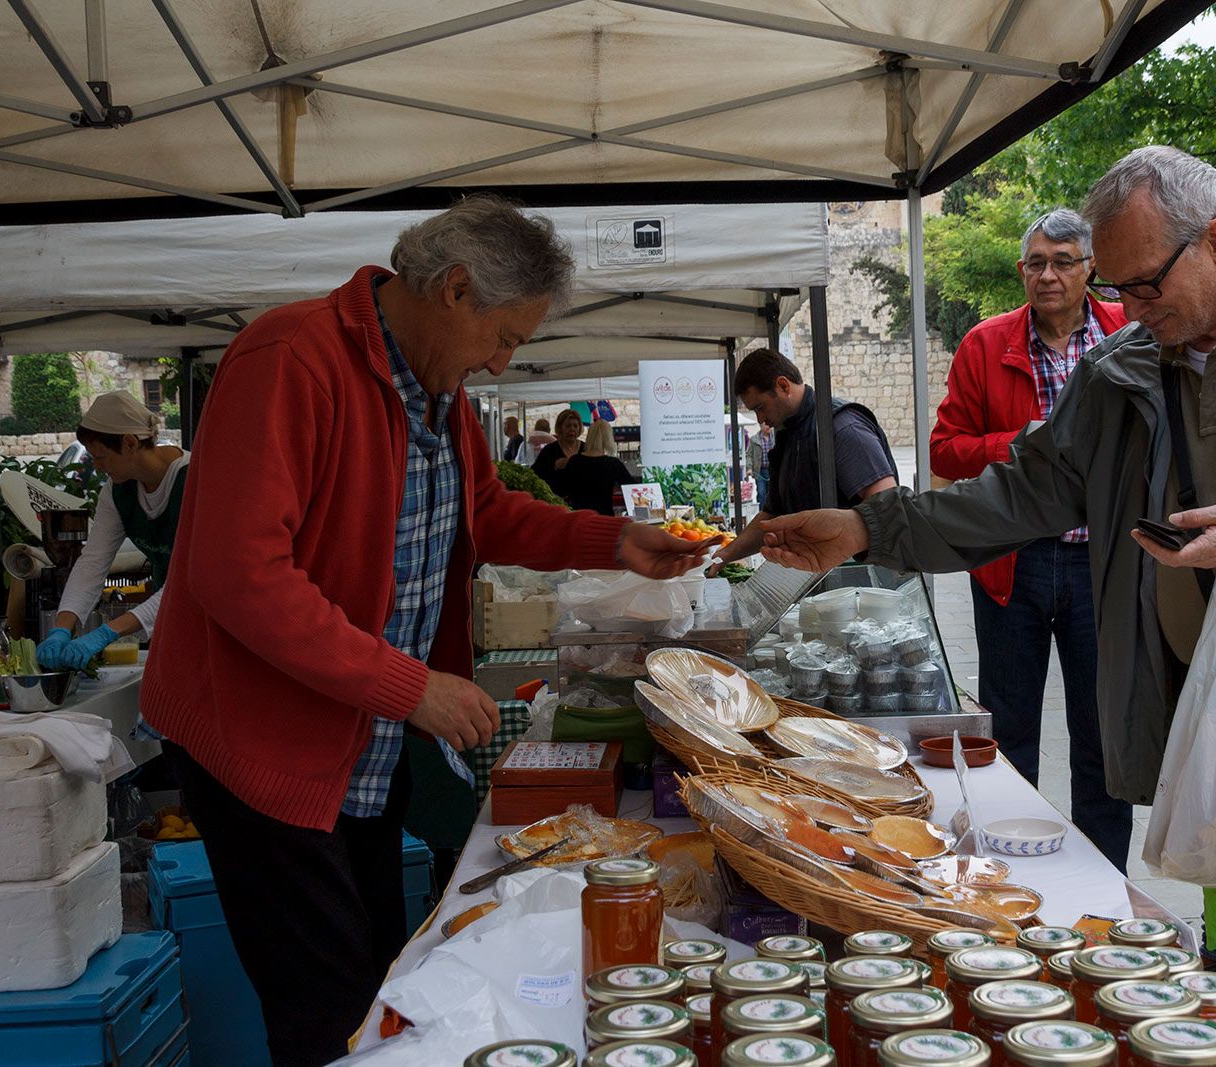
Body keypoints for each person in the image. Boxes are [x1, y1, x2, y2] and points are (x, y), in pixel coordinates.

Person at [757, 147, 1216, 1067]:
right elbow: (1020, 494)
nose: (1127, 308)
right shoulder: (1127, 367)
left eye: (1143, 283)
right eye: (1117, 287)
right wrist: (868, 527)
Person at [139, 196, 713, 1067]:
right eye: (504, 337)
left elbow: (483, 509)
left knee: (384, 984)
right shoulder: (289, 358)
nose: (502, 361)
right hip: (263, 743)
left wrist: (612, 540)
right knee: (327, 1004)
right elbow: (238, 574)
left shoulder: (438, 388)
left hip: (359, 744)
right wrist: (410, 687)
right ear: (453, 289)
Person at [930, 208, 1133, 870]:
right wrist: (1020, 443)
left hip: (1102, 563)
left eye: (1063, 262)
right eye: (1036, 263)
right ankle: (1007, 872)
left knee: (1102, 735)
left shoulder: (1128, 334)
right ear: (1022, 271)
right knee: (1009, 731)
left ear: (1089, 269)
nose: (1048, 275)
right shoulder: (985, 344)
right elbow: (946, 449)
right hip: (1012, 563)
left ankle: (1105, 882)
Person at [38, 391, 189, 670]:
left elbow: (189, 583)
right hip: (170, 625)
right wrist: (61, 627)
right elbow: (93, 561)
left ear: (129, 443)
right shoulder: (118, 490)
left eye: (101, 457)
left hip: (216, 623)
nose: (96, 467)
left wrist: (108, 632)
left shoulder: (194, 481)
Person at [715, 347, 897, 565]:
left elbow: (888, 509)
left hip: (859, 576)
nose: (760, 419)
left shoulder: (842, 427)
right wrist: (726, 555)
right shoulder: (788, 436)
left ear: (783, 386)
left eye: (760, 407)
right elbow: (773, 514)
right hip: (821, 573)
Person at [555, 418, 635, 514]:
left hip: (578, 516)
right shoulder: (613, 464)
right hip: (604, 516)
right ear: (608, 438)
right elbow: (632, 487)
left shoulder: (574, 461)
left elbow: (562, 490)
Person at [531, 407, 583, 496]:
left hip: (582, 500)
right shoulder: (549, 450)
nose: (572, 429)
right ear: (560, 428)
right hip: (557, 500)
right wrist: (554, 466)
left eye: (575, 426)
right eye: (568, 426)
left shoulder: (586, 448)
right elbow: (535, 475)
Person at [746, 422, 774, 506]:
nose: (768, 426)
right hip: (760, 471)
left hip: (773, 470)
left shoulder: (775, 437)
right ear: (760, 425)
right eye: (765, 424)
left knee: (772, 492)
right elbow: (749, 455)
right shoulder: (754, 439)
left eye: (769, 424)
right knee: (761, 493)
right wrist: (749, 468)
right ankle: (762, 510)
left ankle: (772, 511)